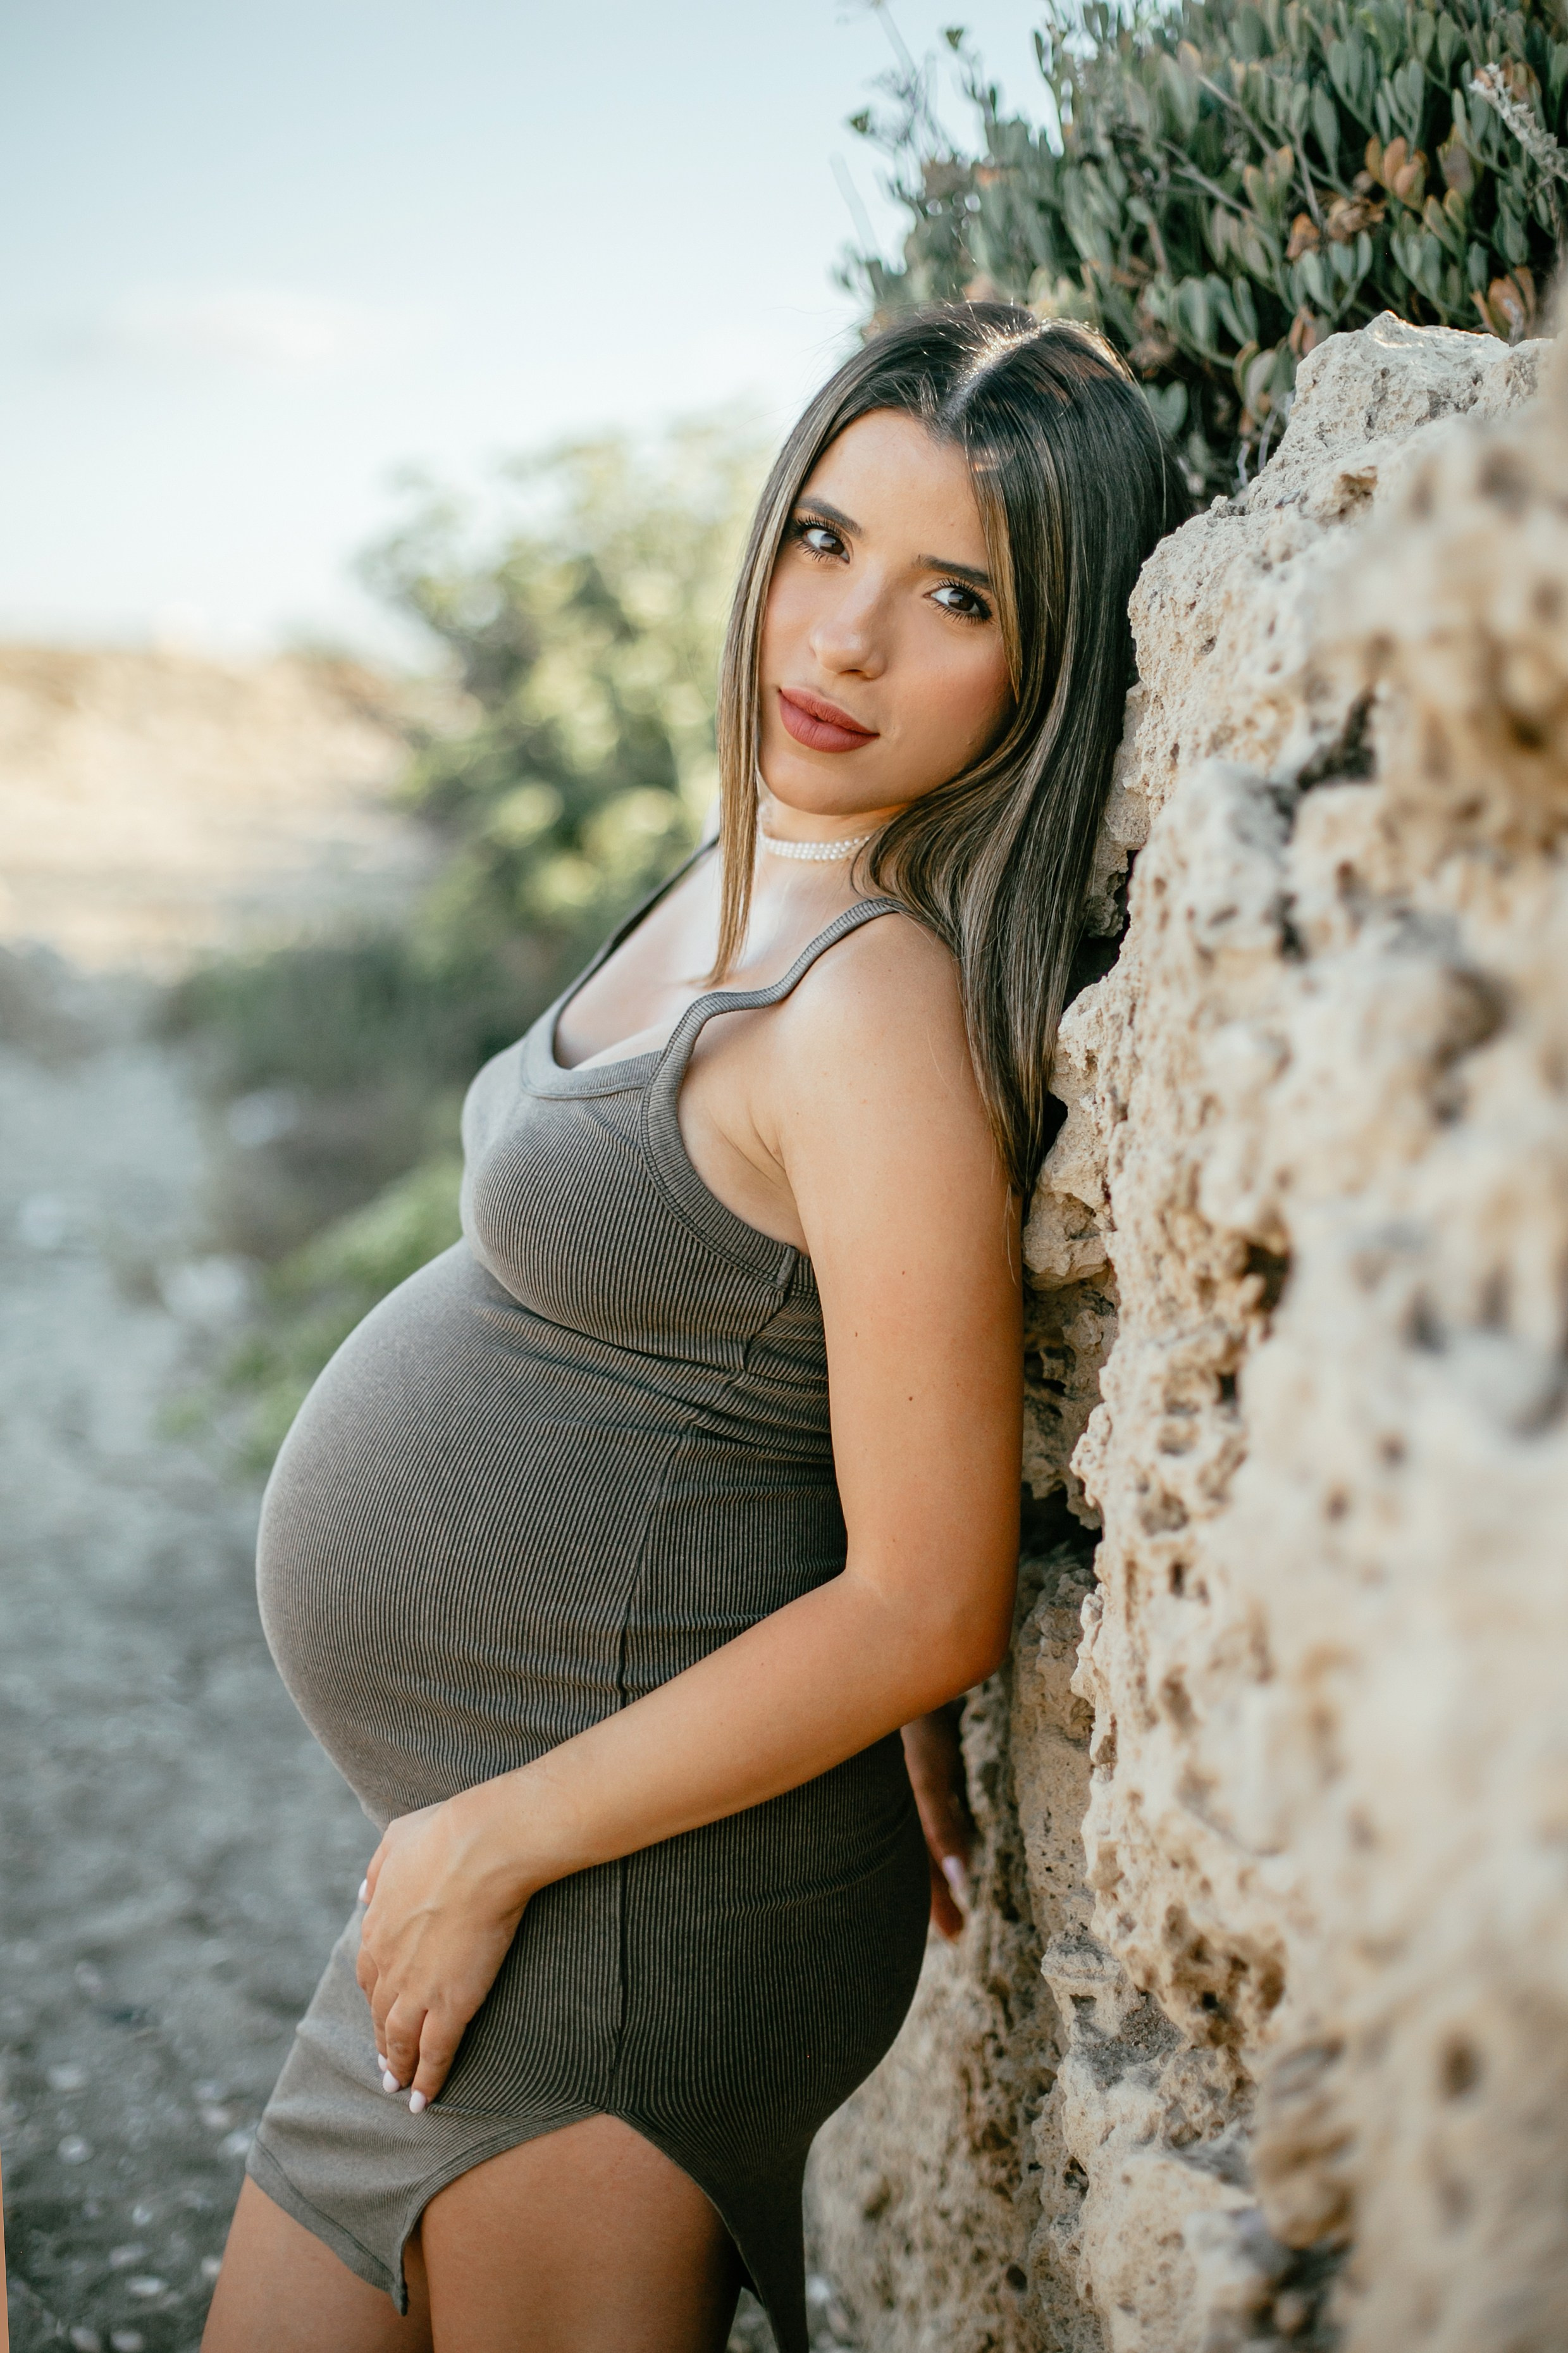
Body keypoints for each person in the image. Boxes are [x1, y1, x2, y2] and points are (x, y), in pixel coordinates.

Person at [202, 302, 1183, 2353]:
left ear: (1048, 661)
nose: (842, 642)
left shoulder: (875, 1005)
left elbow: (931, 1599)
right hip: (526, 1854)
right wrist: (472, 1843)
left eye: (955, 596)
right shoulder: (745, 869)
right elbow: (798, 1382)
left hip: (623, 1908)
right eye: (825, 543)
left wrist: (488, 1843)